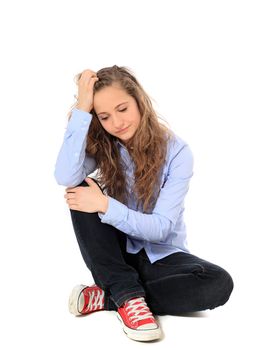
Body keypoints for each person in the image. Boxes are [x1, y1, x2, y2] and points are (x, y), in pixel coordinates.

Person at [54, 65, 234, 342]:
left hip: (162, 256)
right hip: (116, 254)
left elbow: (160, 229)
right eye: (104, 116)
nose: (116, 122)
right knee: (80, 189)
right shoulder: (106, 146)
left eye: (123, 109)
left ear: (139, 101)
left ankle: (117, 296)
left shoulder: (178, 153)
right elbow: (66, 176)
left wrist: (105, 205)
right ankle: (126, 294)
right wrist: (81, 107)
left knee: (218, 283)